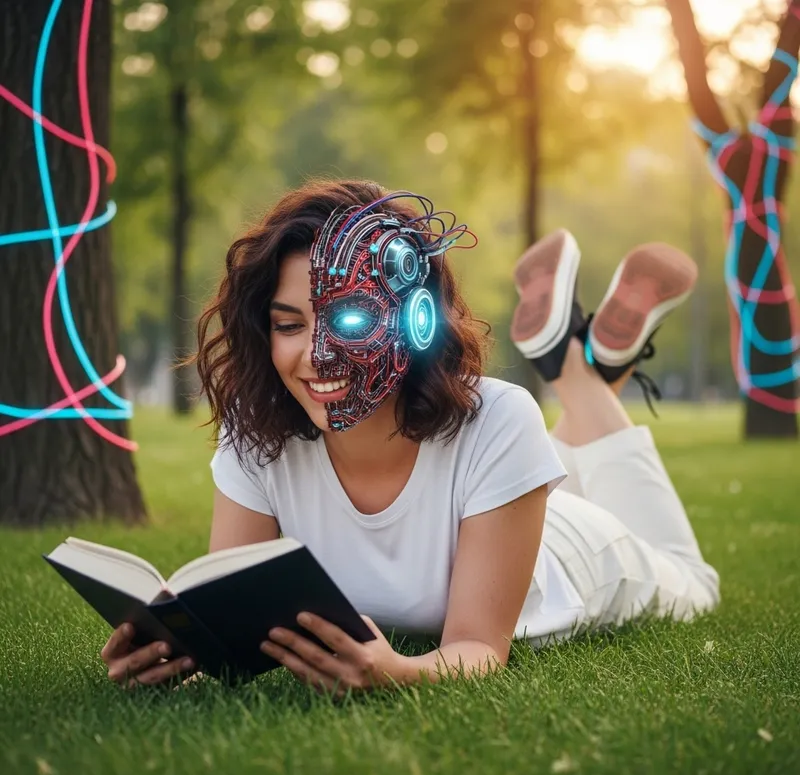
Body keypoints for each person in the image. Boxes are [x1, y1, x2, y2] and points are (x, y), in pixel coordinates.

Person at [100, 180, 720, 692]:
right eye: (289, 325)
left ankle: (577, 377)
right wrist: (176, 657)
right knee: (556, 427)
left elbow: (478, 646)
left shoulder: (499, 417)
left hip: (578, 553)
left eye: (350, 318)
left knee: (695, 583)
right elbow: (226, 614)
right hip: (501, 502)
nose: (316, 355)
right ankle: (588, 366)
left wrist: (397, 673)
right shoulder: (257, 430)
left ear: (412, 318)